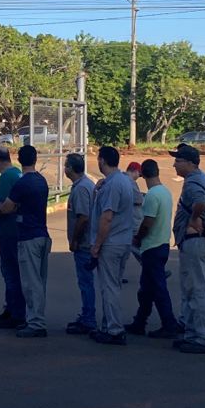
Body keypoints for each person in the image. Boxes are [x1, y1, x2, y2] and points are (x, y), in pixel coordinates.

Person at [0, 145, 52, 338]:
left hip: (28, 236)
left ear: (20, 160)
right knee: (39, 280)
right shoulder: (41, 181)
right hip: (42, 233)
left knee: (30, 283)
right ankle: (35, 317)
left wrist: (5, 207)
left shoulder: (22, 183)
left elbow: (6, 208)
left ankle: (36, 323)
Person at [169, 143, 205, 354]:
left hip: (195, 240)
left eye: (178, 160)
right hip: (198, 241)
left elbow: (200, 203)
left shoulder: (193, 183)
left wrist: (193, 219)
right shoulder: (202, 178)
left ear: (190, 163)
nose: (174, 164)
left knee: (197, 290)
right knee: (191, 289)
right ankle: (193, 334)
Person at [124, 159, 179, 340]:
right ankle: (140, 321)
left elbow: (147, 222)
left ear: (143, 175)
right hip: (162, 243)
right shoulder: (164, 192)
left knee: (157, 288)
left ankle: (168, 323)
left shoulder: (152, 195)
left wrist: (138, 237)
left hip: (151, 246)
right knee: (147, 289)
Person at [91, 146, 137, 346]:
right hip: (124, 240)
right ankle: (109, 325)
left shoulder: (112, 185)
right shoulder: (124, 180)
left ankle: (114, 330)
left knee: (109, 288)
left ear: (102, 161)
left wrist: (97, 245)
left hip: (111, 242)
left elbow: (107, 217)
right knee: (114, 286)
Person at [0, 146, 25, 330]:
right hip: (17, 230)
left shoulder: (6, 177)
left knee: (10, 271)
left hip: (8, 232)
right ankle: (10, 307)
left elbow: (1, 205)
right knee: (14, 271)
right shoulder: (17, 173)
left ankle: (16, 312)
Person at [63, 153, 97, 335]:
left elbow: (83, 217)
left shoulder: (82, 188)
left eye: (66, 165)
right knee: (85, 282)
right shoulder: (83, 185)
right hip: (85, 242)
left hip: (83, 243)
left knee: (86, 282)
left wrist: (75, 239)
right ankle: (86, 315)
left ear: (70, 169)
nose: (64, 169)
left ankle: (88, 318)